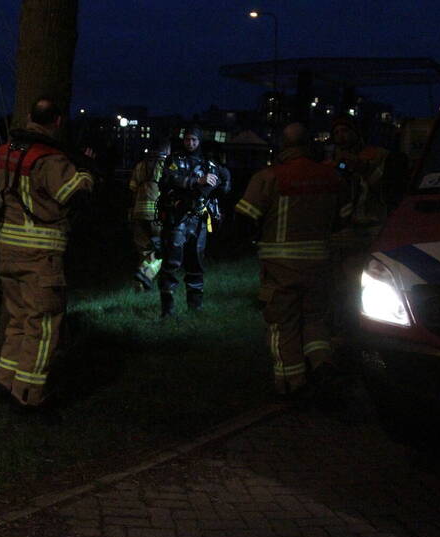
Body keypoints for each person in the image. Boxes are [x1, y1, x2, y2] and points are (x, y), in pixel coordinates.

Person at [235, 122, 351, 398]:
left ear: (282, 146)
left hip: (280, 268)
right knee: (315, 319)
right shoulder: (333, 177)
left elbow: (244, 218)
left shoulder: (268, 177)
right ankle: (322, 365)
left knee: (281, 324)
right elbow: (343, 219)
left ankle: (292, 384)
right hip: (320, 264)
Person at [0, 97, 94, 410]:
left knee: (18, 319)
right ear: (59, 121)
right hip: (41, 254)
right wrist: (86, 173)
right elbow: (70, 193)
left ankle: (4, 382)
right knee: (44, 323)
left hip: (8, 249)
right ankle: (29, 396)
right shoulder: (50, 159)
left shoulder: (5, 152)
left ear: (28, 115)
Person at [325, 115, 407, 329]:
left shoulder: (377, 155)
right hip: (344, 227)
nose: (341, 136)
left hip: (372, 225)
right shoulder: (332, 158)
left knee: (369, 277)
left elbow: (385, 184)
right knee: (339, 278)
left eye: (345, 130)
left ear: (356, 132)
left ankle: (367, 321)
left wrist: (361, 167)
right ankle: (343, 321)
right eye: (337, 132)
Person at [156, 127, 230, 317]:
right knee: (171, 264)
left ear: (199, 141)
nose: (190, 143)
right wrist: (196, 180)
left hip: (199, 220)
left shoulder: (208, 162)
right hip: (177, 219)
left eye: (194, 140)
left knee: (196, 265)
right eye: (188, 139)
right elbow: (168, 179)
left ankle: (195, 309)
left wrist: (221, 181)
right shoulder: (175, 160)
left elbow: (224, 185)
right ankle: (167, 311)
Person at [128, 137, 169, 290]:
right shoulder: (165, 165)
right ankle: (146, 275)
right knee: (163, 250)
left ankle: (140, 285)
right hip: (157, 216)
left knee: (144, 249)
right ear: (166, 150)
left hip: (138, 213)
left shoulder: (139, 166)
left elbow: (132, 189)